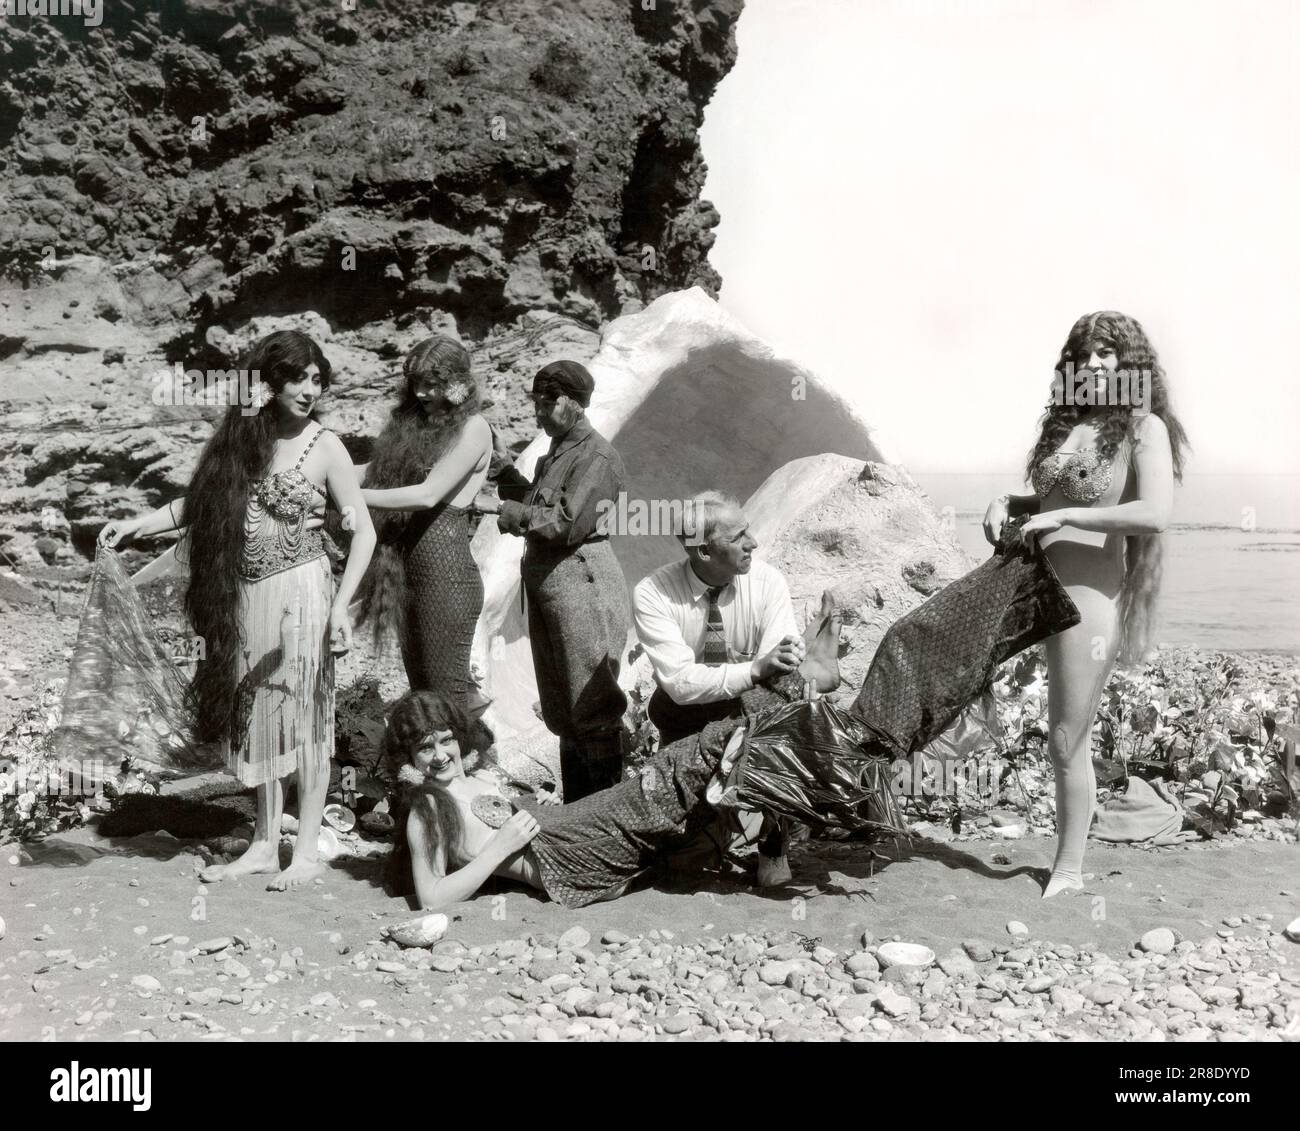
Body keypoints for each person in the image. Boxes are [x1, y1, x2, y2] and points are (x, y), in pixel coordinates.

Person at [98, 330, 376, 891]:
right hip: (248, 596)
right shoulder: (242, 444)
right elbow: (195, 506)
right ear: (269, 383)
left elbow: (363, 531)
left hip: (305, 591)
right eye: (299, 378)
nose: (310, 389)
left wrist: (342, 608)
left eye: (318, 379)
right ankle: (264, 844)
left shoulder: (326, 446)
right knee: (258, 714)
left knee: (307, 715)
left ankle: (306, 853)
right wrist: (135, 526)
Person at [386, 599, 846, 911]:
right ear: (407, 756)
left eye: (446, 740)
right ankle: (802, 683)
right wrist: (502, 846)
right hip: (566, 859)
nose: (441, 755)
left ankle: (797, 683)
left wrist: (533, 805)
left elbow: (510, 815)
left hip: (574, 827)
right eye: (425, 748)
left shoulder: (471, 778)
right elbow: (432, 897)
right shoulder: (426, 807)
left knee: (686, 768)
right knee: (690, 760)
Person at [982, 311, 1187, 898]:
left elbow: (1155, 514)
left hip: (1086, 600)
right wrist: (1010, 501)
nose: (1094, 363)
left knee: (1065, 737)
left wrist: (1064, 516)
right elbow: (1050, 495)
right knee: (945, 667)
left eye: (1107, 353)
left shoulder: (1143, 427)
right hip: (1028, 585)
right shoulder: (1067, 425)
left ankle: (1068, 870)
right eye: (1085, 353)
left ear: (1130, 364)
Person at [471, 360, 630, 802]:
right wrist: (504, 471)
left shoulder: (596, 458)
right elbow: (539, 504)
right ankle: (579, 814)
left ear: (574, 404)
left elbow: (565, 524)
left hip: (582, 581)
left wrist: (500, 510)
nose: (538, 414)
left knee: (592, 704)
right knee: (564, 707)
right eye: (536, 403)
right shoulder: (558, 452)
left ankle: (601, 820)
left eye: (546, 403)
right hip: (555, 586)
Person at [632, 490, 806, 885]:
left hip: (751, 710)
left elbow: (780, 664)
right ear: (705, 553)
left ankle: (774, 841)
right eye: (738, 536)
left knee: (785, 707)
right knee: (685, 862)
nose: (753, 543)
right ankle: (707, 823)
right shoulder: (653, 593)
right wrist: (755, 668)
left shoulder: (766, 581)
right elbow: (679, 683)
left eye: (748, 530)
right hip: (686, 718)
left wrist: (761, 670)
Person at [354, 336, 493, 712]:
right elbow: (373, 472)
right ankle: (451, 768)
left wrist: (352, 497)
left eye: (433, 383)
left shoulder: (474, 428)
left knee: (447, 702)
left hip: (447, 582)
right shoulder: (418, 427)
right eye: (417, 382)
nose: (423, 392)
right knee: (423, 698)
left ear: (458, 383)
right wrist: (319, 472)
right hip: (409, 578)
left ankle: (467, 768)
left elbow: (428, 494)